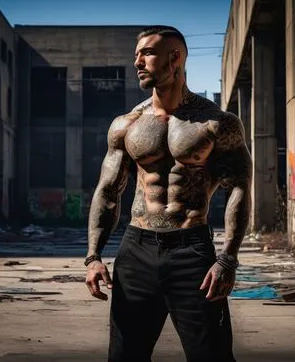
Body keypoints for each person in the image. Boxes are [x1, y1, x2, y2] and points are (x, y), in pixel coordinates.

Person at [84, 25, 252, 362]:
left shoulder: (217, 123)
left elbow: (239, 188)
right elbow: (108, 191)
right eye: (137, 55)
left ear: (174, 58)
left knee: (212, 355)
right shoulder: (127, 124)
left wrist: (228, 260)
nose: (138, 62)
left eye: (146, 53)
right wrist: (93, 256)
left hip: (191, 251)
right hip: (136, 249)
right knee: (124, 355)